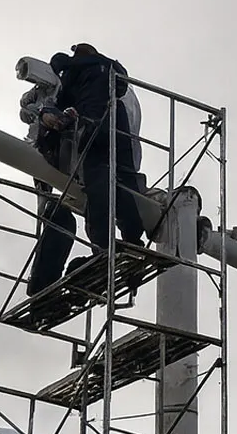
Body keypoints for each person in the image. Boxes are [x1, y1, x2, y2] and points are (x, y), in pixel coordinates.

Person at [54, 43, 145, 254]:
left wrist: (50, 112)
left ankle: (102, 246)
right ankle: (133, 239)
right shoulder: (111, 67)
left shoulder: (74, 69)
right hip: (118, 122)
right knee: (125, 183)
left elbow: (62, 97)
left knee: (97, 183)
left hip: (92, 122)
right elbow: (122, 86)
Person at [19, 52, 79, 298]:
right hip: (57, 159)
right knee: (58, 217)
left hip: (66, 159)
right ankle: (42, 285)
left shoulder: (67, 92)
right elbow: (26, 110)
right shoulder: (56, 95)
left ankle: (42, 285)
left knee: (58, 217)